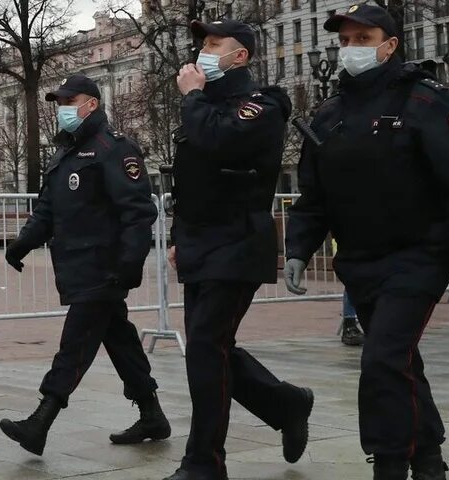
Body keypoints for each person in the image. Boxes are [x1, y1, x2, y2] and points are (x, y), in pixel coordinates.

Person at [283, 5, 449, 480]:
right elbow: (316, 195)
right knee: (400, 361)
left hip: (419, 256)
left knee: (381, 360)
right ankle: (428, 457)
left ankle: (390, 459)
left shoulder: (426, 101)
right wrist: (299, 248)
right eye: (346, 39)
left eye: (365, 37)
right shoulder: (330, 111)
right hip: (360, 261)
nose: (353, 47)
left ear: (390, 44)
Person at [162, 19, 314, 480]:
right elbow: (194, 179)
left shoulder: (262, 105)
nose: (203, 51)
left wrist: (191, 97)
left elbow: (219, 141)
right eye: (202, 44)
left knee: (207, 346)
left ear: (240, 56)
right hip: (199, 243)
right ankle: (287, 403)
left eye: (213, 44)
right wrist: (176, 235)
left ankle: (204, 464)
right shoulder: (204, 106)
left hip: (237, 242)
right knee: (210, 348)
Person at [1, 74, 171, 456]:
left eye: (67, 100)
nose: (61, 109)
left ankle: (40, 421)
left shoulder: (114, 149)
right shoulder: (66, 152)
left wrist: (130, 263)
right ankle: (152, 414)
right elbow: (47, 209)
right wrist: (22, 244)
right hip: (79, 266)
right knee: (119, 339)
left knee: (75, 343)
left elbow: (137, 212)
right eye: (58, 102)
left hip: (104, 268)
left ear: (91, 104)